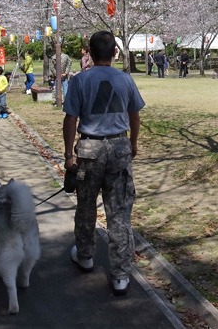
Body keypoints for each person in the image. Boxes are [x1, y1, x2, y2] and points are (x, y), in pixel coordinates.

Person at [62, 30, 145, 296]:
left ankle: (85, 255)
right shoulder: (125, 79)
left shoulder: (79, 81)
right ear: (114, 53)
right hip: (119, 147)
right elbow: (135, 114)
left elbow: (70, 120)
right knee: (118, 211)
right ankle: (120, 274)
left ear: (89, 51)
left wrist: (68, 155)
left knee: (86, 206)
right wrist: (132, 143)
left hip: (89, 148)